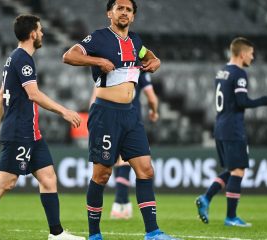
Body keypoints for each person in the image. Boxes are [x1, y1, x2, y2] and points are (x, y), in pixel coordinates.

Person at [0, 14, 85, 240]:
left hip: (31, 132)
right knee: (6, 182)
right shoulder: (23, 59)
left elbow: (0, 95)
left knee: (48, 178)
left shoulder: (13, 58)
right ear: (33, 33)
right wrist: (64, 111)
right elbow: (33, 94)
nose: (43, 33)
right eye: (41, 29)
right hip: (19, 131)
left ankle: (56, 233)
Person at [63, 0, 178, 239]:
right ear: (110, 13)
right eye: (120, 8)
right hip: (105, 114)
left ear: (133, 16)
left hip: (130, 115)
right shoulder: (98, 38)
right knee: (102, 175)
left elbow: (149, 54)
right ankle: (94, 234)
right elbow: (69, 56)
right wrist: (97, 61)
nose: (124, 12)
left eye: (128, 10)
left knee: (145, 170)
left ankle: (153, 232)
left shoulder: (136, 41)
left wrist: (156, 61)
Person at [195, 37, 267, 227]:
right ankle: (231, 217)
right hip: (233, 128)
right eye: (251, 53)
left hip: (220, 126)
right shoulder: (239, 73)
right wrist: (264, 100)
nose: (252, 57)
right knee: (238, 171)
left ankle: (206, 198)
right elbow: (242, 102)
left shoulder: (222, 72)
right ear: (242, 53)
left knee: (232, 170)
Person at [90, 72, 159, 220]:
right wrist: (154, 111)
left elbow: (95, 96)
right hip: (131, 119)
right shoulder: (139, 69)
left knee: (116, 163)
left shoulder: (110, 64)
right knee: (117, 164)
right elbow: (151, 96)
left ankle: (121, 203)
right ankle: (121, 202)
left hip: (108, 118)